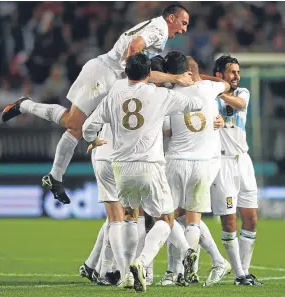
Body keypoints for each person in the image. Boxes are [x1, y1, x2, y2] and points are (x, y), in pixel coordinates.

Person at [2, 4, 191, 205]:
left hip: (108, 74)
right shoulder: (159, 30)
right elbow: (135, 46)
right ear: (171, 18)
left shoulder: (156, 27)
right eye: (183, 23)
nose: (184, 30)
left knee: (77, 128)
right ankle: (25, 106)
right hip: (104, 73)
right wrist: (135, 73)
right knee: (73, 124)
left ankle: (55, 177)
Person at [82, 53, 201, 293]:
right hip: (150, 166)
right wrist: (187, 83)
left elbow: (87, 128)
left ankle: (126, 274)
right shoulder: (159, 95)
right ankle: (143, 262)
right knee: (166, 219)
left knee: (128, 216)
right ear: (149, 74)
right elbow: (194, 104)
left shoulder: (113, 98)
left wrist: (93, 141)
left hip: (121, 168)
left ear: (126, 73)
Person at [79, 55, 168, 287]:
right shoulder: (150, 93)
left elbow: (88, 126)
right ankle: (130, 270)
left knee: (118, 219)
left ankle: (109, 270)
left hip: (105, 157)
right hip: (129, 159)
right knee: (134, 217)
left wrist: (92, 140)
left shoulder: (114, 88)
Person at [161, 52, 231, 286]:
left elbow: (166, 130)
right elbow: (225, 83)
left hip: (176, 161)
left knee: (168, 218)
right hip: (203, 163)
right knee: (192, 219)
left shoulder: (171, 96)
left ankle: (175, 271)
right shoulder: (209, 89)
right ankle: (192, 270)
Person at [209, 55, 262, 286]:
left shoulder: (242, 93)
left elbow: (240, 105)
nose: (237, 76)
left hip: (244, 161)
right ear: (220, 74)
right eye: (232, 72)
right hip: (222, 163)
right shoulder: (206, 97)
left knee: (251, 219)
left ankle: (245, 270)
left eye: (238, 72)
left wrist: (217, 90)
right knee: (229, 222)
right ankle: (240, 274)